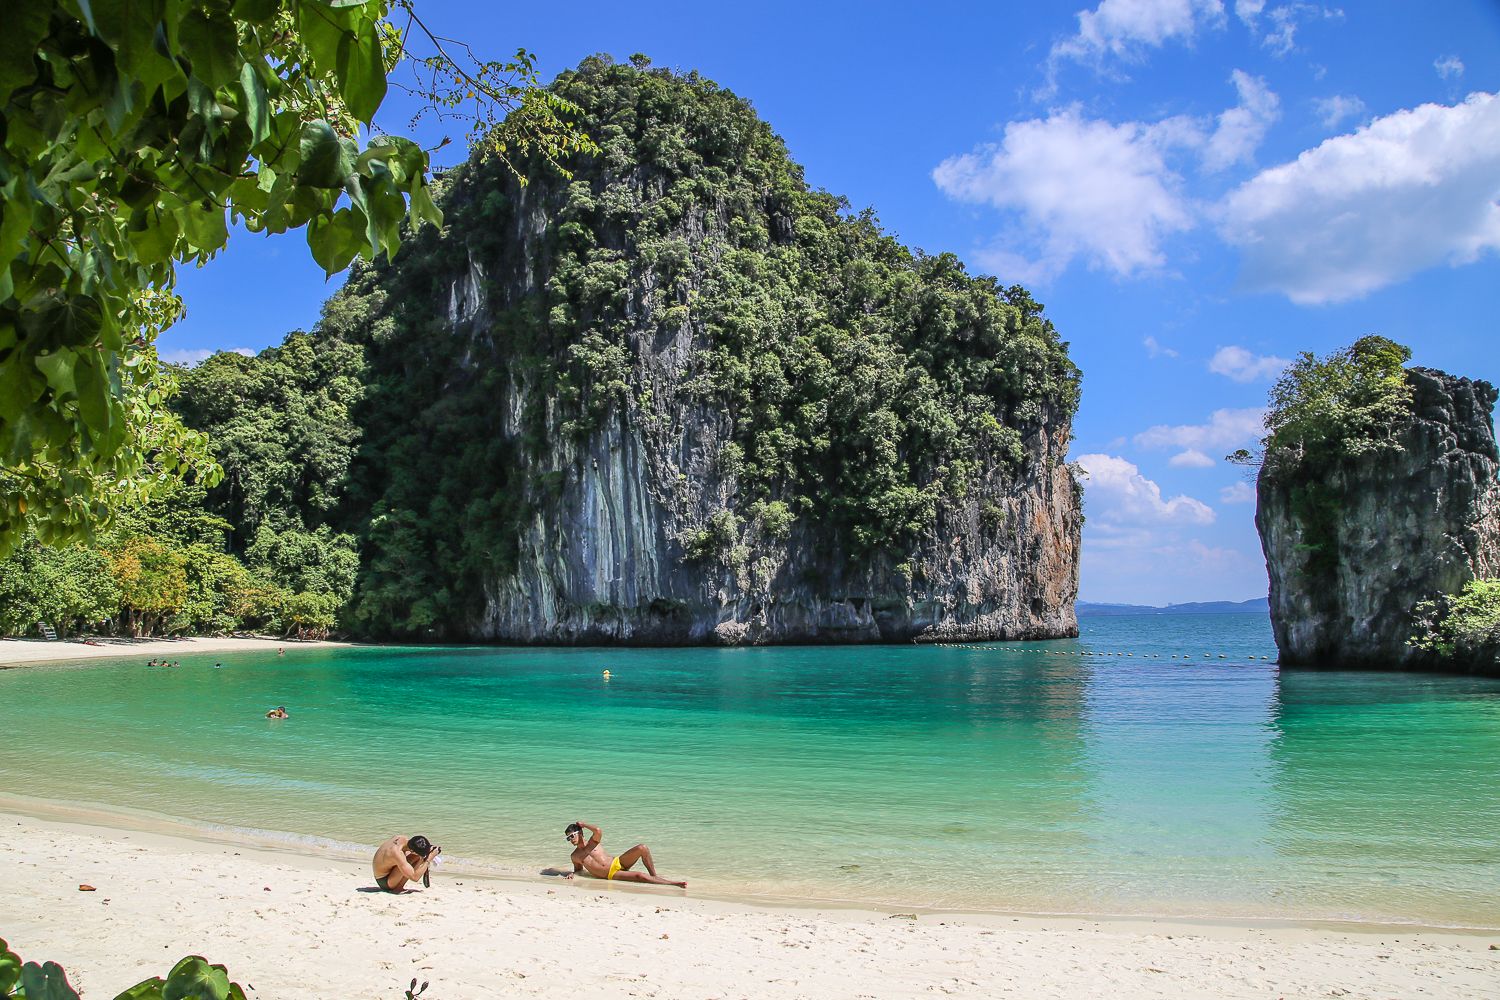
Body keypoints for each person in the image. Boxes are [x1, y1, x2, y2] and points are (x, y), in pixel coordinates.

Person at [563, 820, 686, 888]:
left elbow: (598, 830)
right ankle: (673, 883)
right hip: (611, 874)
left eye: (572, 836)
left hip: (617, 861)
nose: (571, 840)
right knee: (640, 876)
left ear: (580, 833)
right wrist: (573, 874)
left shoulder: (593, 842)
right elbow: (579, 870)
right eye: (568, 838)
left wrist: (584, 824)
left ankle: (654, 877)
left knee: (642, 848)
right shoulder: (575, 856)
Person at [371, 834, 440, 893]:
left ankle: (421, 859)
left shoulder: (400, 838)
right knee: (415, 858)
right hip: (385, 881)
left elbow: (411, 850)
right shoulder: (397, 853)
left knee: (415, 857)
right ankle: (398, 888)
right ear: (413, 850)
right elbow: (415, 878)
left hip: (383, 874)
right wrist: (429, 858)